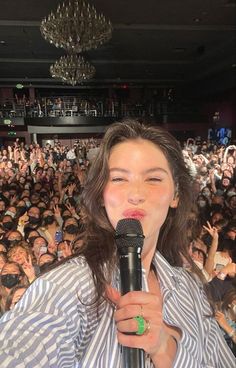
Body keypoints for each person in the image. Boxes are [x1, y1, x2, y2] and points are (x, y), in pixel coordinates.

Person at [0, 119, 235, 367]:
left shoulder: (191, 289)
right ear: (101, 194)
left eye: (153, 179)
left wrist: (167, 348)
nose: (135, 194)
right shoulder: (67, 286)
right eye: (119, 179)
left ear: (175, 194)